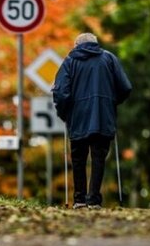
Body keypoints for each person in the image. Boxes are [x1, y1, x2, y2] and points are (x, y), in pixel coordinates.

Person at [52, 33, 132, 209]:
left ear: (76, 45)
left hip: (77, 117)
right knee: (99, 157)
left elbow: (60, 92)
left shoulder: (70, 61)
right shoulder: (109, 59)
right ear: (95, 43)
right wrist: (110, 102)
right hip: (103, 115)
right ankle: (94, 199)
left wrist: (63, 112)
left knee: (78, 158)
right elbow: (125, 87)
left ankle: (79, 199)